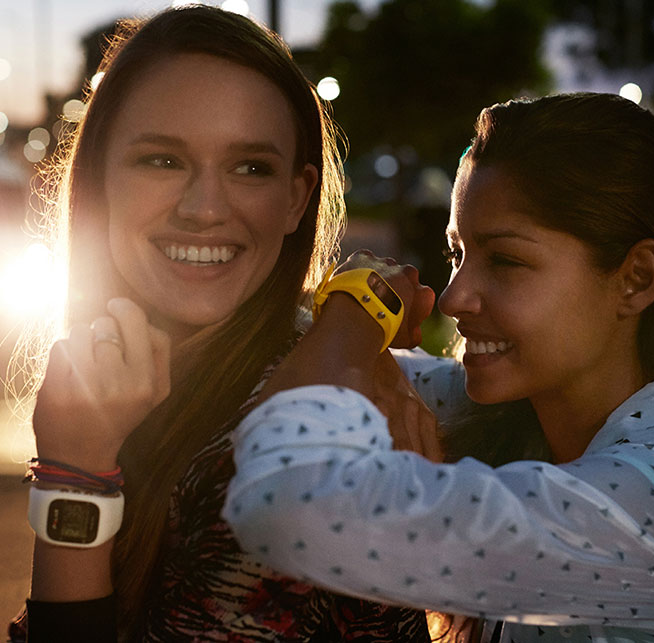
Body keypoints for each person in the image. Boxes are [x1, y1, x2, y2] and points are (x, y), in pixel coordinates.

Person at [223, 93, 654, 642]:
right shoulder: (536, 408)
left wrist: (360, 308)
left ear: (636, 279)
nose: (453, 298)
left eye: (506, 261)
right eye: (457, 254)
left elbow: (289, 505)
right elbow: (280, 362)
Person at [9, 6, 435, 641]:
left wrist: (76, 476)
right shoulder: (147, 390)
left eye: (250, 167)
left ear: (296, 198)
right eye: (162, 160)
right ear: (98, 178)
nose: (205, 209)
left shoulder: (298, 445)